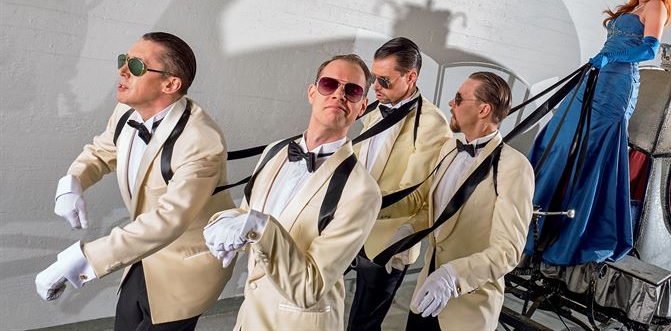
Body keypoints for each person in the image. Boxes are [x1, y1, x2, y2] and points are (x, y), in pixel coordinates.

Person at [34, 32, 235, 330]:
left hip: (186, 266)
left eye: (136, 66)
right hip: (140, 253)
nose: (122, 70)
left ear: (170, 84)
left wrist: (76, 260)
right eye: (123, 60)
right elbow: (101, 152)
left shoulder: (201, 140)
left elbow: (168, 221)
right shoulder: (126, 110)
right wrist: (72, 183)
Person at [523, 0, 671, 266]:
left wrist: (611, 56)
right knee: (558, 139)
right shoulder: (635, 6)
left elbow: (649, 49)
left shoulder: (656, 6)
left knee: (589, 155)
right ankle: (530, 221)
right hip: (595, 78)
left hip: (617, 88)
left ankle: (566, 237)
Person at [203, 54, 382, 330]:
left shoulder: (363, 191)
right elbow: (246, 215)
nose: (339, 94)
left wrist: (260, 228)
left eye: (353, 90)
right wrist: (223, 221)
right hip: (249, 318)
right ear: (312, 92)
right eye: (329, 84)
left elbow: (310, 288)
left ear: (362, 107)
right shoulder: (274, 151)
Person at [392, 72, 534, 330]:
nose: (451, 103)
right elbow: (436, 210)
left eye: (458, 98)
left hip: (468, 310)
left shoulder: (514, 167)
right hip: (425, 294)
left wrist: (452, 277)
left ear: (483, 109)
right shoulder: (449, 148)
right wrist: (407, 232)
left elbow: (507, 252)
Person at [348, 37, 452, 331]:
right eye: (374, 79)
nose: (376, 87)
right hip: (349, 226)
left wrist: (356, 205)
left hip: (388, 240)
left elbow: (414, 195)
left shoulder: (432, 123)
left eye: (384, 80)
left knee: (363, 323)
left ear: (411, 77)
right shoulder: (374, 109)